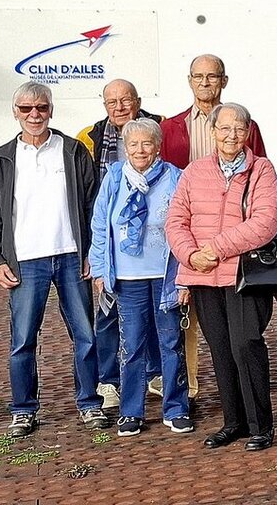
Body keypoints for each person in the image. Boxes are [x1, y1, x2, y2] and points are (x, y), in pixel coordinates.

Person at [0, 81, 108, 437]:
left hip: (71, 257)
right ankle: (23, 410)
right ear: (15, 112)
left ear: (51, 110)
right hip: (25, 262)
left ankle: (89, 403)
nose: (34, 115)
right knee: (23, 340)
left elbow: (92, 205)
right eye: (26, 108)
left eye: (41, 107)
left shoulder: (73, 151)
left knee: (85, 335)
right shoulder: (0, 159)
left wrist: (92, 252)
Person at [167, 102, 277, 451]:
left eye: (239, 128)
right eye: (225, 128)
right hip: (203, 276)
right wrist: (190, 256)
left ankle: (261, 425)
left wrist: (215, 249)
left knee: (246, 344)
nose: (232, 135)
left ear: (248, 132)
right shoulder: (194, 171)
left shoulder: (261, 169)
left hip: (243, 276)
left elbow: (266, 222)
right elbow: (176, 221)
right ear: (213, 131)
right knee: (219, 348)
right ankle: (234, 422)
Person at [159, 54, 268, 403]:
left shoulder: (245, 124)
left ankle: (249, 409)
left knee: (240, 339)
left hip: (236, 252)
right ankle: (189, 392)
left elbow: (261, 192)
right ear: (189, 80)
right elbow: (173, 201)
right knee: (193, 328)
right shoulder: (170, 128)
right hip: (192, 248)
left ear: (224, 80)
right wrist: (189, 253)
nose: (205, 82)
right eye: (198, 76)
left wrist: (218, 247)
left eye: (212, 76)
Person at [87, 118, 191, 436]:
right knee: (131, 345)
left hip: (166, 275)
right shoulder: (115, 177)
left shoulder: (175, 177)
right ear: (125, 148)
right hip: (127, 277)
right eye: (133, 144)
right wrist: (100, 268)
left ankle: (176, 408)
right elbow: (100, 225)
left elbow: (187, 226)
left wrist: (185, 276)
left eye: (147, 143)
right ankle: (131, 411)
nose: (140, 150)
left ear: (158, 146)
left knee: (171, 342)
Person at [76, 77, 161, 411]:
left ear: (137, 101)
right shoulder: (89, 136)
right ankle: (108, 380)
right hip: (110, 242)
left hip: (150, 245)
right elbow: (86, 193)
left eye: (126, 100)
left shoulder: (157, 128)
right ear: (104, 105)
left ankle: (155, 374)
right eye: (112, 102)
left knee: (154, 314)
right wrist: (94, 251)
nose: (120, 107)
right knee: (108, 313)